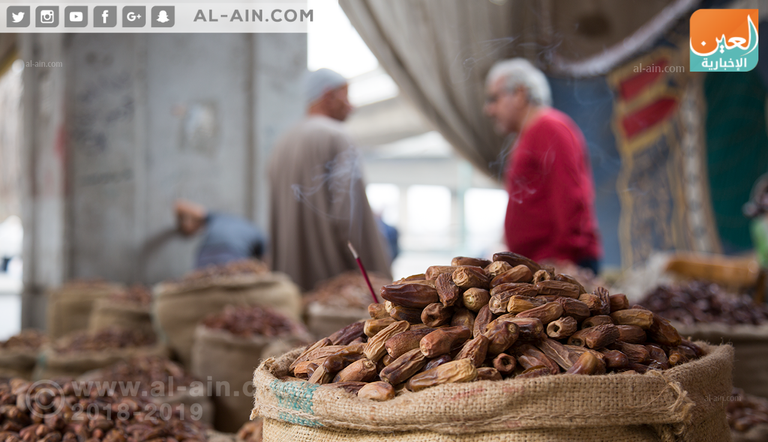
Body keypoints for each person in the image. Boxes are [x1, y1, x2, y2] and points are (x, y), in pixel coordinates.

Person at [269, 68, 393, 291]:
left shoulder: (283, 142)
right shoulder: (337, 136)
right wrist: (376, 278)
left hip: (291, 284)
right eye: (346, 95)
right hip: (335, 287)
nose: (351, 106)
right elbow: (349, 219)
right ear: (328, 95)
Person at [484, 58, 602, 274]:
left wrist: (564, 256)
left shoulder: (549, 128)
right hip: (541, 264)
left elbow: (570, 195)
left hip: (561, 265)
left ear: (519, 94)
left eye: (494, 98)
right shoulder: (529, 135)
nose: (489, 109)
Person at [174, 200, 267, 268]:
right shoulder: (259, 233)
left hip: (205, 255)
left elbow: (180, 206)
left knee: (199, 287)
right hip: (233, 257)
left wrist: (188, 230)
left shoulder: (217, 217)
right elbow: (264, 267)